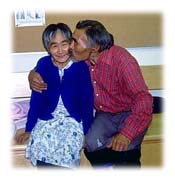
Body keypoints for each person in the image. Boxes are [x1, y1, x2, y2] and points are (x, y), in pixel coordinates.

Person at [28, 20, 153, 167]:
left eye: (74, 42)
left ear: (94, 48)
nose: (70, 47)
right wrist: (32, 74)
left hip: (131, 112)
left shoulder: (122, 60)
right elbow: (49, 66)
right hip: (105, 113)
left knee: (126, 151)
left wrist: (126, 134)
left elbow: (143, 99)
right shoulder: (84, 60)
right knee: (91, 144)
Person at [15, 23, 94, 168]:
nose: (60, 51)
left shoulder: (81, 66)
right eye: (54, 46)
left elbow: (87, 102)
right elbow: (36, 100)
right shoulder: (44, 65)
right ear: (48, 48)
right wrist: (29, 128)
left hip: (72, 120)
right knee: (40, 141)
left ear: (71, 44)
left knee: (68, 145)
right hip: (47, 119)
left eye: (64, 44)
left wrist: (86, 131)